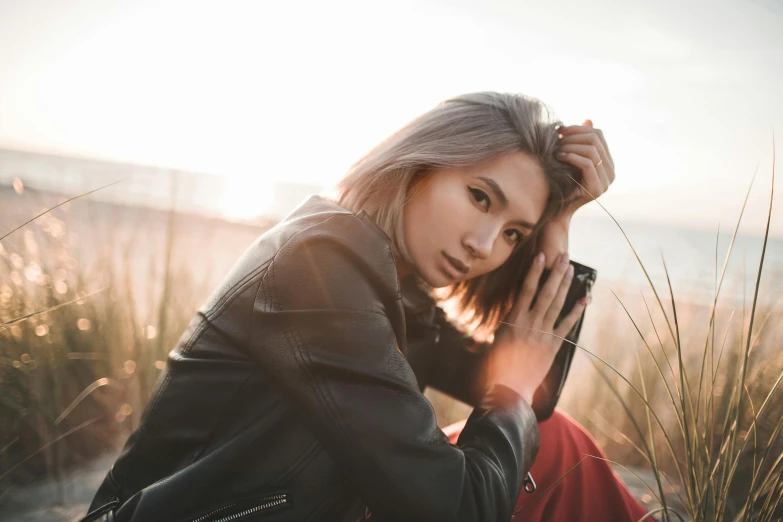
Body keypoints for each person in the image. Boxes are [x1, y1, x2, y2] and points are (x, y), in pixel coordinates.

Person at [82, 92, 647, 522]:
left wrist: (558, 220)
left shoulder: (396, 290)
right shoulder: (318, 267)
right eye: (480, 197)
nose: (484, 246)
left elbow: (534, 399)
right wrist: (516, 391)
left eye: (513, 235)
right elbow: (460, 506)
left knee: (560, 445)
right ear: (421, 163)